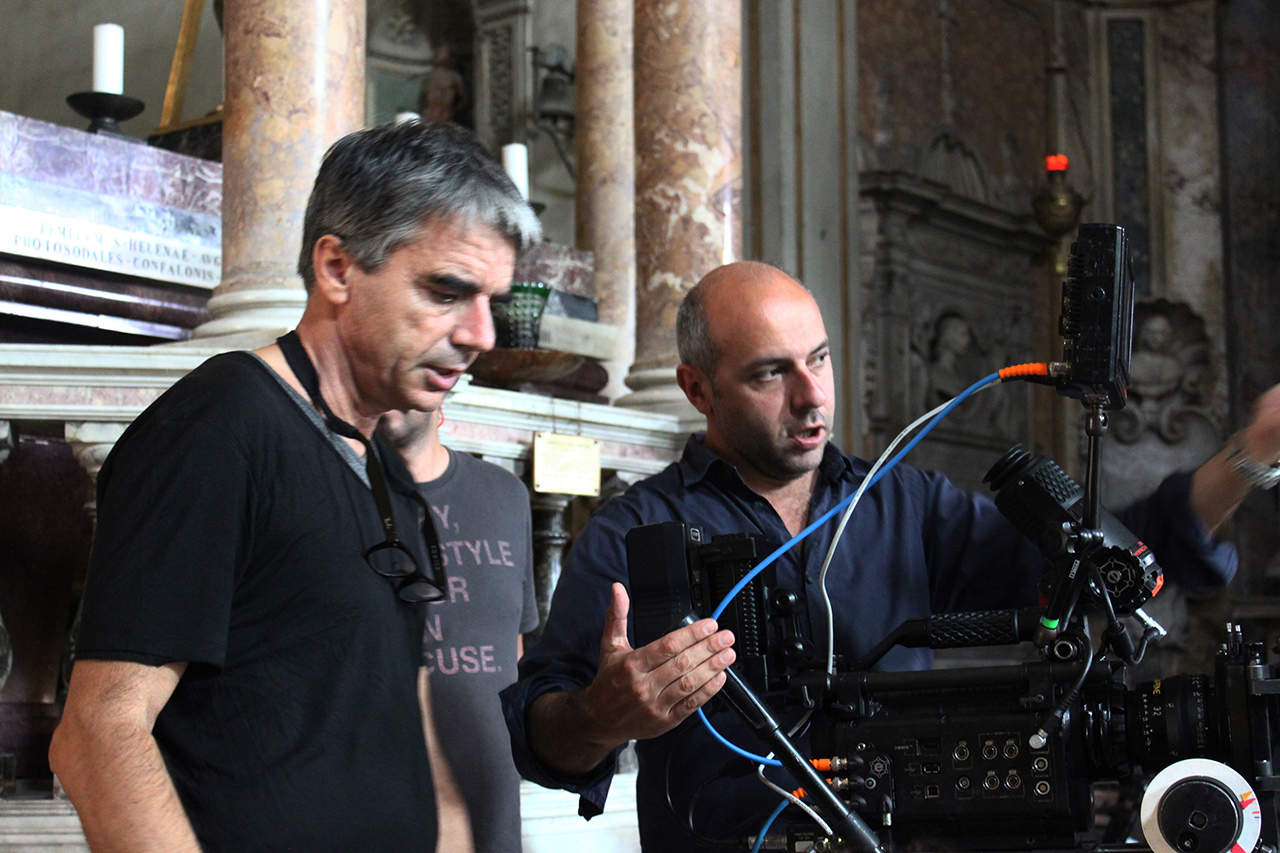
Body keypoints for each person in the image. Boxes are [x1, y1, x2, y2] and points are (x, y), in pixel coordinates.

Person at [501, 261, 1280, 851]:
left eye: (819, 359)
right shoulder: (633, 530)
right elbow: (539, 737)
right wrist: (600, 714)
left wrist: (1250, 454)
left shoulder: (900, 501)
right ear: (698, 389)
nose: (812, 395)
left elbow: (1103, 557)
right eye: (771, 372)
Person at [49, 120, 541, 852]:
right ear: (337, 268)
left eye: (490, 302)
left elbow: (404, 719)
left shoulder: (383, 465)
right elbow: (98, 732)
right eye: (446, 292)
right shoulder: (218, 430)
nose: (481, 335)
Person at [380, 408, 540, 852]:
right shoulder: (334, 497)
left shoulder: (505, 494)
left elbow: (513, 648)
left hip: (494, 811)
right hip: (382, 806)